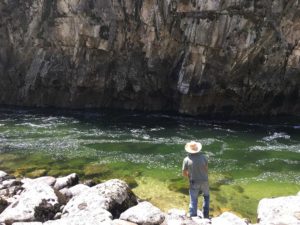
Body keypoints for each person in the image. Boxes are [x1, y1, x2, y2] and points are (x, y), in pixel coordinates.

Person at [182, 141, 209, 218]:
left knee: (193, 199)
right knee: (206, 197)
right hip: (204, 180)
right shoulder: (204, 157)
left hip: (193, 181)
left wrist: (189, 176)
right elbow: (206, 169)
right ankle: (206, 215)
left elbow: (184, 173)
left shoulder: (186, 159)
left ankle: (193, 216)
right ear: (198, 149)